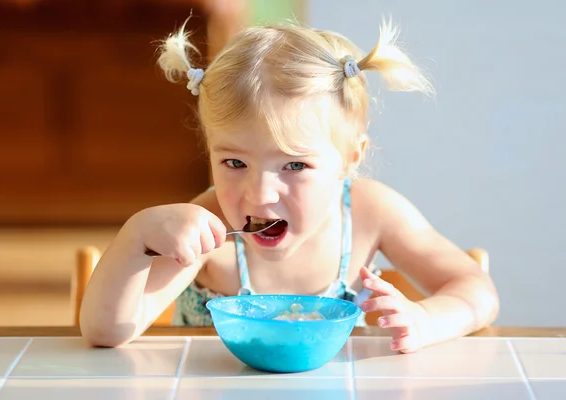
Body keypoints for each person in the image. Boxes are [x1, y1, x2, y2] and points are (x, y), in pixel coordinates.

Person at [79, 16, 499, 353]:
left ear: (351, 158)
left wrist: (427, 321)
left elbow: (475, 290)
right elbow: (105, 333)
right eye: (235, 161)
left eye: (295, 165)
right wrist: (137, 237)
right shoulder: (207, 229)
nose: (259, 194)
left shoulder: (373, 214)